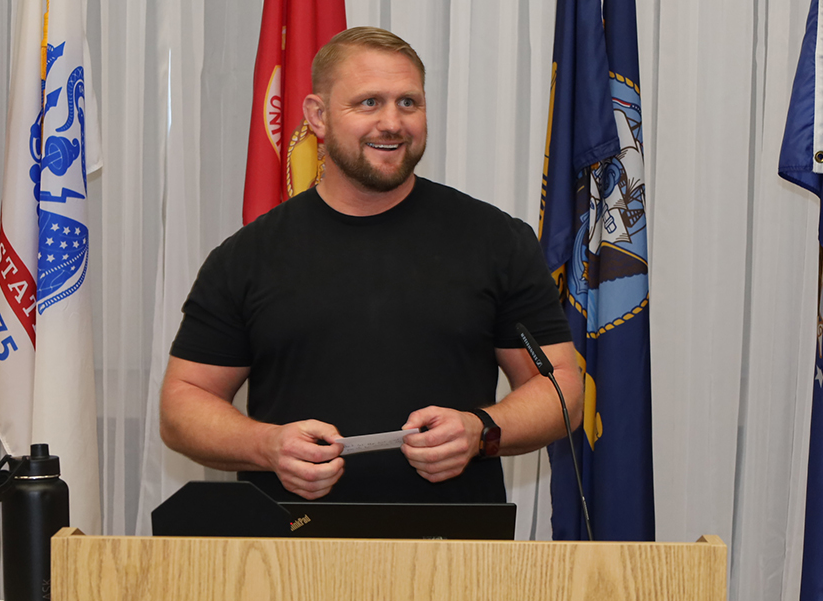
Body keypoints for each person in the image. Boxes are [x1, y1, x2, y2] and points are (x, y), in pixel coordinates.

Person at [160, 26, 582, 504]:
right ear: (317, 116)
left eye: (409, 103)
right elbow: (182, 405)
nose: (392, 123)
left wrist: (481, 428)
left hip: (460, 555)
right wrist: (266, 446)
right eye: (368, 103)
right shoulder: (247, 257)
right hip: (288, 558)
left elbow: (561, 388)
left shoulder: (497, 240)